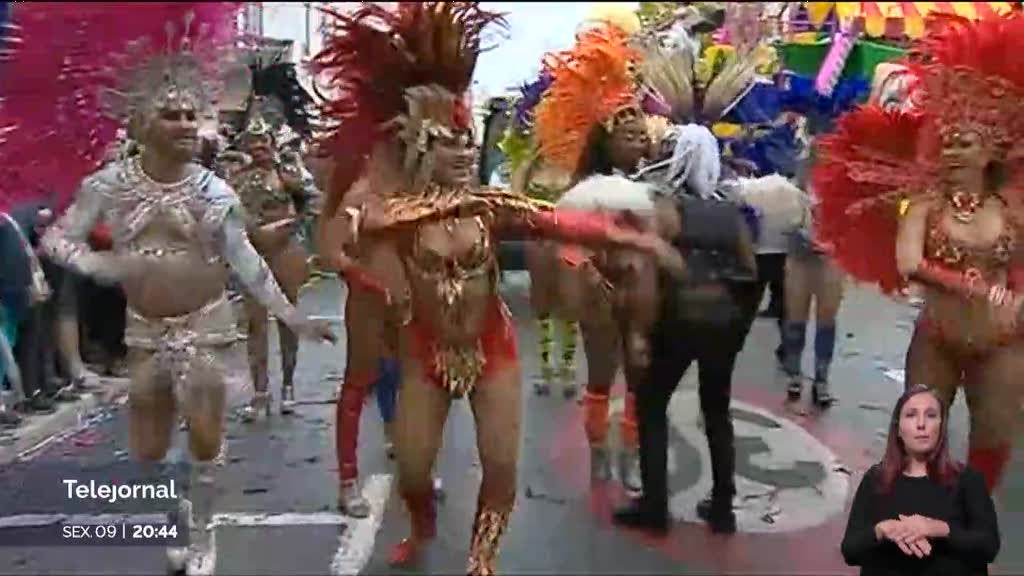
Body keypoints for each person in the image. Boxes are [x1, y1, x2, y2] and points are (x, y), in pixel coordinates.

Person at [313, 4, 674, 572]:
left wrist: (635, 241)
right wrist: (359, 258)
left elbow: (559, 221)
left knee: (500, 466)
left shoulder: (491, 205)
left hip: (492, 352)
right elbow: (336, 241)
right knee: (412, 471)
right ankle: (423, 528)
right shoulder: (393, 214)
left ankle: (482, 559)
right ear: (421, 150)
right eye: (448, 143)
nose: (461, 152)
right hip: (424, 356)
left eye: (466, 142)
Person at [2, 4, 335, 574]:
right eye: (172, 115)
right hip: (145, 334)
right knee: (150, 451)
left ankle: (203, 535)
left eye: (191, 114)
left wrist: (296, 318)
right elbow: (58, 240)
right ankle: (177, 514)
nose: (187, 124)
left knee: (206, 441)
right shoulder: (109, 185)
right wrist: (109, 267)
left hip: (206, 328)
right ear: (140, 125)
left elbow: (248, 263)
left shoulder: (216, 193)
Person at [813, 13, 1024, 492]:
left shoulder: (1013, 208)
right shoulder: (926, 205)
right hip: (938, 336)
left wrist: (1015, 293)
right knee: (918, 435)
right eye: (947, 142)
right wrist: (969, 285)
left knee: (991, 445)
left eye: (964, 144)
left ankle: (968, 538)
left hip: (1003, 345)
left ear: (990, 152)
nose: (952, 151)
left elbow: (1018, 265)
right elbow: (910, 264)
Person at [225, 58, 322, 420]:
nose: (259, 148)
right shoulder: (236, 175)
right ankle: (260, 391)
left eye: (263, 141)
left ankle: (289, 386)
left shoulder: (288, 171)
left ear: (272, 142)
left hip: (286, 252)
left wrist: (289, 225)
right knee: (254, 325)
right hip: (251, 253)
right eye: (252, 142)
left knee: (287, 319)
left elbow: (312, 203)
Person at [841, 385, 999, 575]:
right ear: (898, 429)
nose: (921, 424)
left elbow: (989, 547)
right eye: (911, 415)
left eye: (931, 415)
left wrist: (940, 529)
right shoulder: (877, 480)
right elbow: (850, 552)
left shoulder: (967, 480)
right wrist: (882, 530)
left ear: (941, 427)